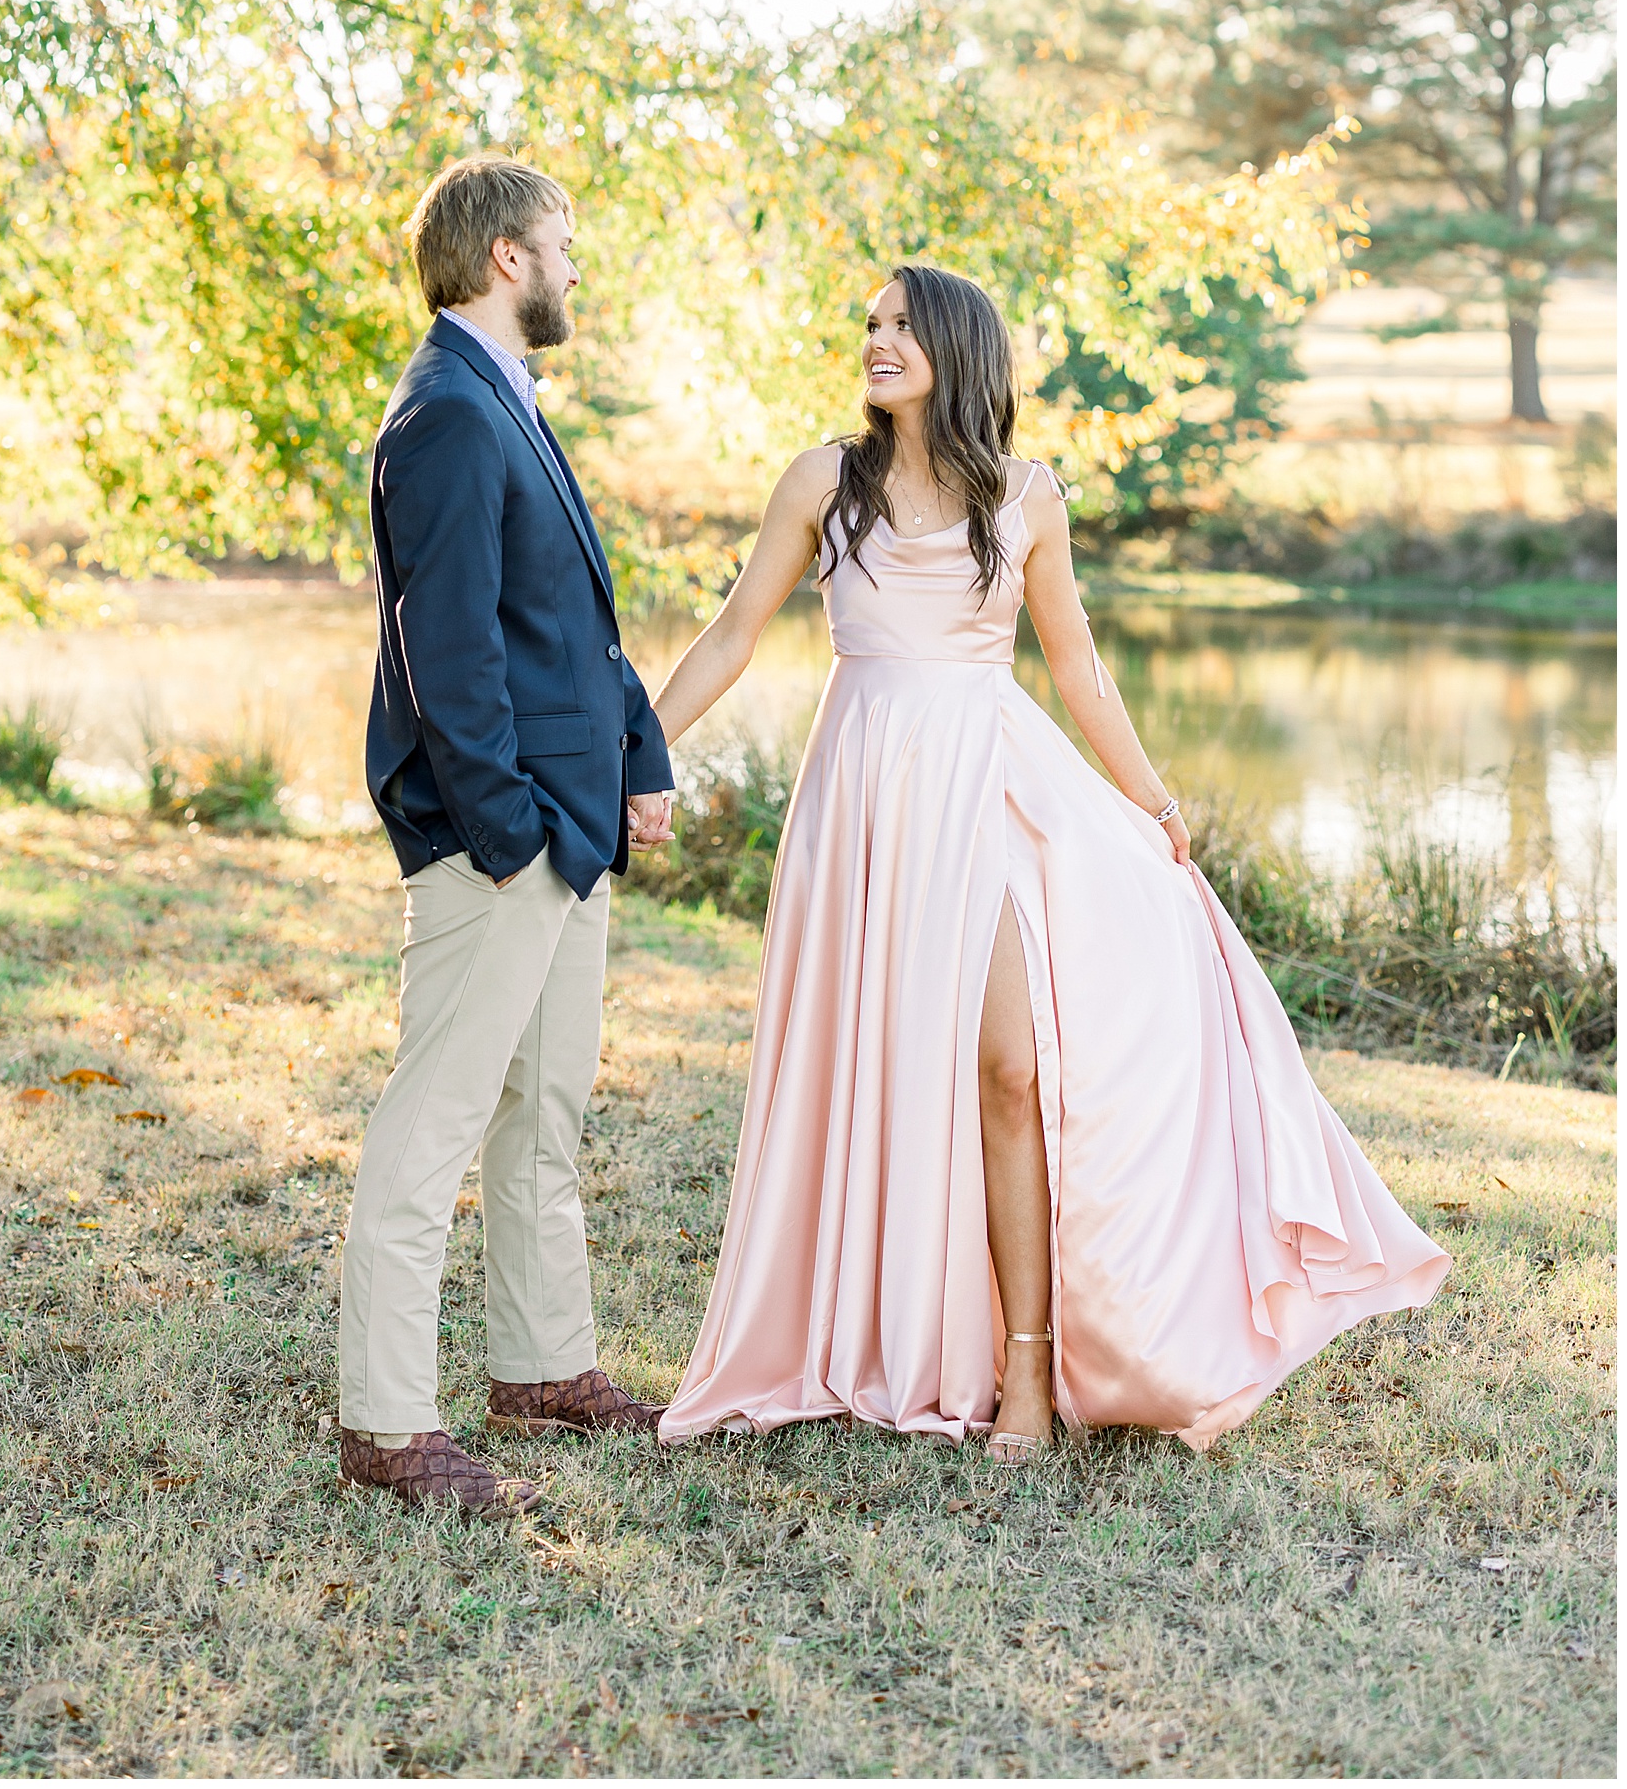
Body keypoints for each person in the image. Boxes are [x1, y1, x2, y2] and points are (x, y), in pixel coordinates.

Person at [652, 264, 1449, 1460]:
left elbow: (1079, 666)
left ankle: (1027, 1366)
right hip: (863, 792)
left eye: (900, 323)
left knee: (1011, 1064)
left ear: (958, 345)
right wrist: (640, 751)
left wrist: (1154, 796)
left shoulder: (1028, 495)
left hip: (985, 785)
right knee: (870, 1059)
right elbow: (731, 630)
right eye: (869, 323)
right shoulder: (823, 480)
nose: (875, 339)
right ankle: (879, 1335)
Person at [338, 156, 677, 1518]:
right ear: (505, 260)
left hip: (568, 830)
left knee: (546, 1112)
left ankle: (543, 1366)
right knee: (435, 1121)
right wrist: (505, 833)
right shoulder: (445, 419)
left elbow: (570, 626)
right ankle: (385, 1419)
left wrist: (634, 757)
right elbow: (450, 649)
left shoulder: (505, 400)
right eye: (564, 240)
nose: (576, 265)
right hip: (505, 842)